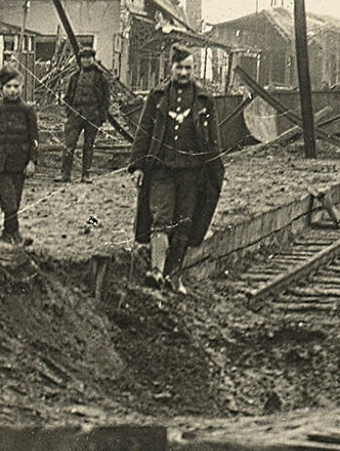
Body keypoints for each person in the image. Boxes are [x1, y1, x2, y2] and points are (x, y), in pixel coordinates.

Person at [128, 45, 225, 294]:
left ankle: (174, 276)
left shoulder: (204, 100)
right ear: (170, 68)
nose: (183, 73)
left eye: (188, 68)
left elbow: (213, 139)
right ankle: (156, 272)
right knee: (160, 217)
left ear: (193, 70)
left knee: (184, 224)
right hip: (161, 169)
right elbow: (144, 133)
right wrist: (138, 165)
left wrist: (215, 171)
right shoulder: (157, 97)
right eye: (179, 67)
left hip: (191, 173)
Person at [0, 66, 39, 244]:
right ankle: (15, 232)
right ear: (2, 88)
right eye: (9, 87)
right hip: (0, 162)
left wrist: (32, 161)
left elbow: (34, 138)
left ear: (21, 88)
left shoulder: (27, 111)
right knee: (8, 199)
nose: (12, 90)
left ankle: (7, 232)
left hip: (20, 163)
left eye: (16, 86)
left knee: (15, 201)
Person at [57, 47, 110, 183]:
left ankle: (85, 175)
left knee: (88, 146)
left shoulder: (100, 77)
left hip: (93, 115)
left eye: (88, 58)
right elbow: (68, 96)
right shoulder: (75, 77)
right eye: (83, 58)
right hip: (75, 114)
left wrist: (101, 116)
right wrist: (69, 111)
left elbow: (106, 99)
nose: (86, 61)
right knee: (69, 144)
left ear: (93, 59)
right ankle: (65, 174)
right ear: (80, 60)